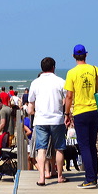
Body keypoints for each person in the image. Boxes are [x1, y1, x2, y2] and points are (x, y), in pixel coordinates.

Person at [64, 44, 98, 189]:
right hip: (95, 112)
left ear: (73, 56)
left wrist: (66, 113)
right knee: (91, 144)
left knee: (84, 146)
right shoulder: (94, 69)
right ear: (86, 55)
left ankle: (90, 179)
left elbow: (69, 96)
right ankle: (92, 176)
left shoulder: (71, 73)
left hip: (81, 113)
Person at [27, 56, 67, 186]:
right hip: (57, 120)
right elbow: (67, 98)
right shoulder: (60, 81)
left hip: (41, 120)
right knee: (59, 148)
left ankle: (42, 178)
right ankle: (60, 176)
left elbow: (30, 105)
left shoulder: (35, 83)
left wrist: (32, 111)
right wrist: (67, 113)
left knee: (41, 150)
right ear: (54, 67)